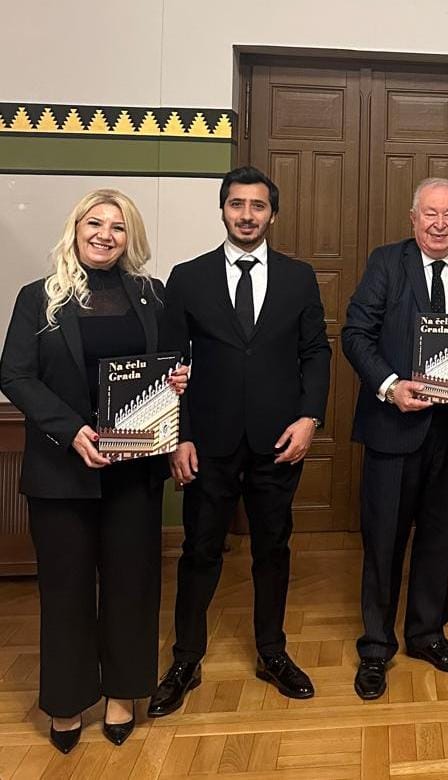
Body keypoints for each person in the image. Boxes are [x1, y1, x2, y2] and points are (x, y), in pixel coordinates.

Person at [0, 190, 187, 752]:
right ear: (76, 228)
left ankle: (123, 693)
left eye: (118, 226)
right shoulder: (39, 298)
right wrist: (71, 430)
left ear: (131, 238)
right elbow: (14, 375)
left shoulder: (153, 295)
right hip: (63, 471)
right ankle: (66, 701)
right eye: (95, 222)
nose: (106, 234)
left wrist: (178, 380)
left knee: (132, 586)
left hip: (133, 471)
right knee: (66, 591)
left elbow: (173, 365)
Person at [148, 166, 331, 717]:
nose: (246, 215)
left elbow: (316, 353)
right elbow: (170, 365)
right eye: (236, 204)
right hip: (208, 442)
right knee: (199, 550)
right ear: (223, 209)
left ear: (273, 214)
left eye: (257, 206)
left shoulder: (299, 278)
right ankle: (186, 659)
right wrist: (178, 436)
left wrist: (310, 418)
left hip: (279, 440)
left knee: (273, 549)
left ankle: (272, 652)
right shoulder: (187, 278)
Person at [342, 178, 448, 700]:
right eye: (430, 214)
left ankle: (427, 634)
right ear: (413, 218)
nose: (440, 224)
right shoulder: (387, 264)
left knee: (438, 540)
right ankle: (375, 647)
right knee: (384, 541)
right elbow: (355, 334)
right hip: (395, 425)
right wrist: (390, 387)